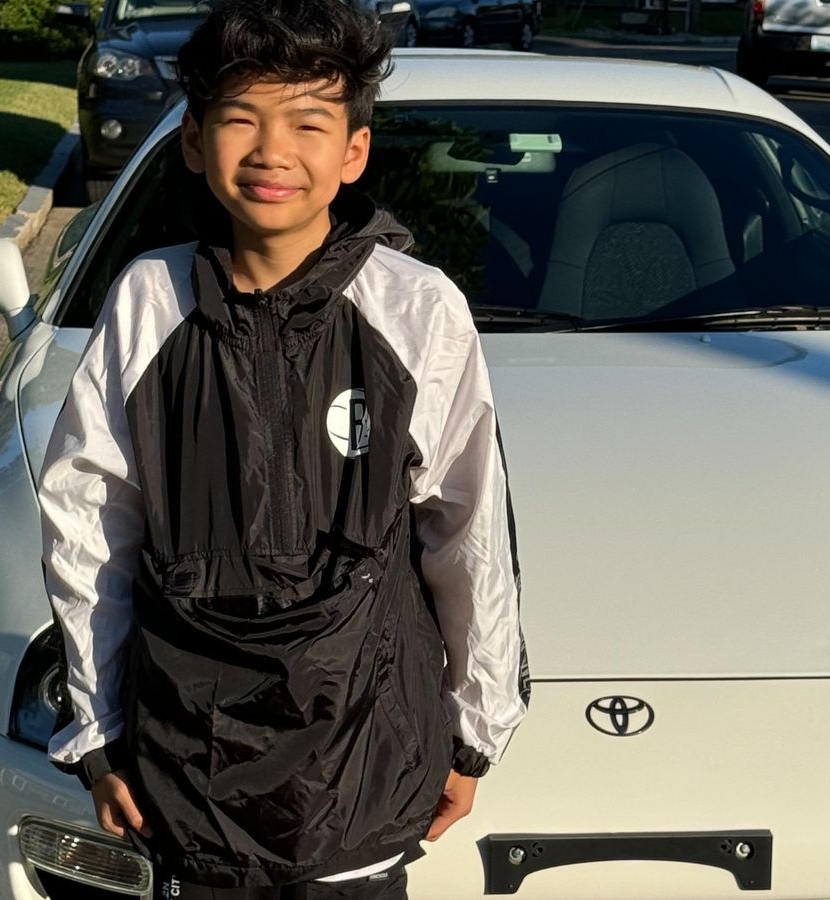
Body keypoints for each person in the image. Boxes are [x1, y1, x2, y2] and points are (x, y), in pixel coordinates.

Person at [36, 1, 530, 897]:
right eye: (241, 119)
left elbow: (470, 531)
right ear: (193, 141)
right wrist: (98, 733)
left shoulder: (418, 309)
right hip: (188, 774)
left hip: (365, 766)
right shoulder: (149, 301)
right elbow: (89, 524)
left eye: (308, 123)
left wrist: (476, 729)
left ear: (354, 151)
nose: (273, 152)